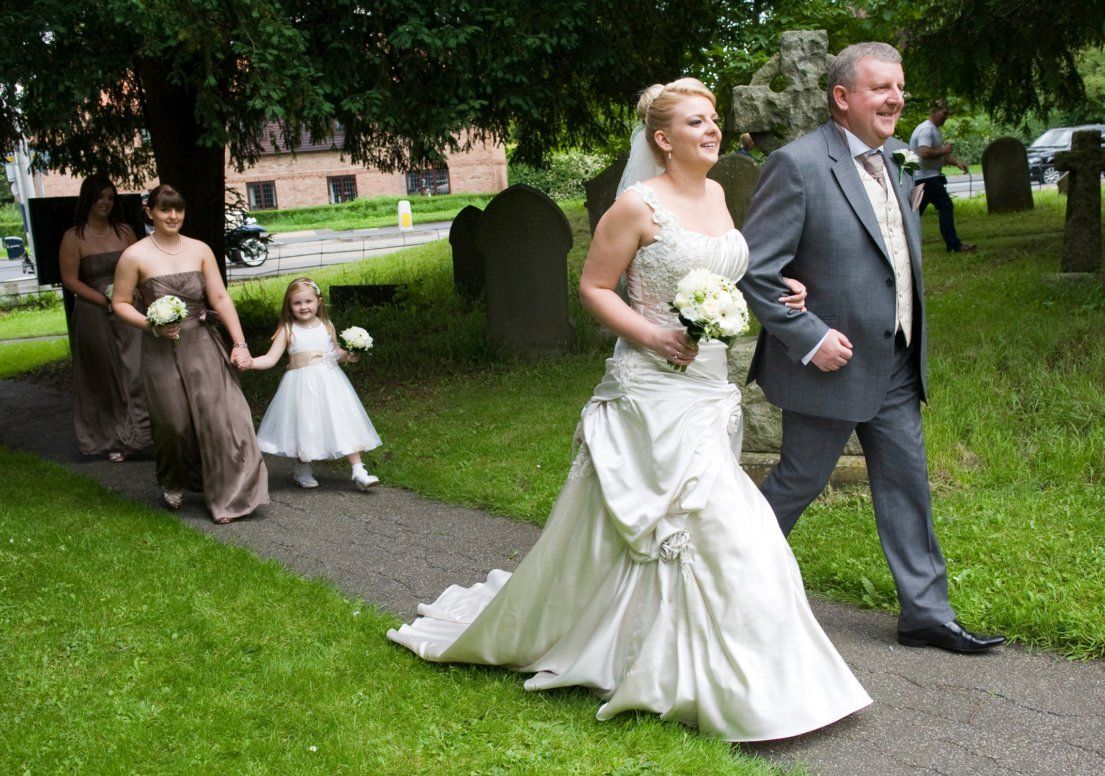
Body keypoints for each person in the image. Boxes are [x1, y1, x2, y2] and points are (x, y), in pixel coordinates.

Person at [387, 78, 871, 742]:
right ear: (663, 139)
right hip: (651, 386)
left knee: (689, 527)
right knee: (723, 525)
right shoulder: (637, 206)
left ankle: (673, 655)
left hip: (707, 387)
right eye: (697, 122)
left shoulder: (719, 195)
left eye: (715, 121)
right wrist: (653, 335)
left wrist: (777, 290)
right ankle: (738, 685)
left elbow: (725, 274)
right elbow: (594, 287)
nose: (713, 130)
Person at [739, 43, 1005, 653]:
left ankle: (926, 613)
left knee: (907, 483)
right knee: (797, 483)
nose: (897, 99)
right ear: (842, 97)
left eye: (900, 88)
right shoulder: (797, 164)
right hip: (829, 368)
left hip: (897, 363)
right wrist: (810, 339)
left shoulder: (896, 160)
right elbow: (756, 269)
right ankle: (725, 586)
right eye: (882, 88)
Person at [111, 184, 269, 523]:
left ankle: (229, 497)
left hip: (202, 345)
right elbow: (120, 303)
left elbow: (221, 298)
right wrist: (150, 325)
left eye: (178, 209)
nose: (173, 216)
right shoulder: (134, 255)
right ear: (149, 211)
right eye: (165, 209)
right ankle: (172, 477)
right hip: (160, 349)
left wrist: (239, 343)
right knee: (174, 424)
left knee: (221, 419)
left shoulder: (200, 250)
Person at [249, 277, 381, 491]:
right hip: (300, 385)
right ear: (289, 306)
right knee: (306, 424)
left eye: (308, 301)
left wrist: (353, 351)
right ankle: (302, 468)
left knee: (343, 420)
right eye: (297, 303)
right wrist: (250, 363)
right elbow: (270, 359)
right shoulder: (288, 330)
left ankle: (358, 470)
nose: (303, 307)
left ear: (319, 301)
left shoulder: (327, 326)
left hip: (331, 383)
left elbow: (336, 354)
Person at [57, 174, 151, 461]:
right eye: (100, 197)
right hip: (93, 313)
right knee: (105, 374)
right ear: (88, 199)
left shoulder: (124, 232)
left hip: (128, 309)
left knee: (136, 370)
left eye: (111, 198)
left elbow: (141, 267)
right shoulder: (74, 238)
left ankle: (142, 435)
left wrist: (129, 296)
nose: (106, 203)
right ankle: (112, 440)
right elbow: (70, 280)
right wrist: (104, 300)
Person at [909, 99, 976, 252]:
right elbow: (924, 152)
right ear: (933, 111)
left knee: (913, 213)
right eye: (944, 113)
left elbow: (939, 155)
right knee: (945, 206)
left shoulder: (934, 129)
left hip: (924, 178)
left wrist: (957, 162)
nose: (946, 117)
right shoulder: (926, 129)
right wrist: (944, 150)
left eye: (948, 114)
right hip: (926, 178)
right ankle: (953, 245)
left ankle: (900, 243)